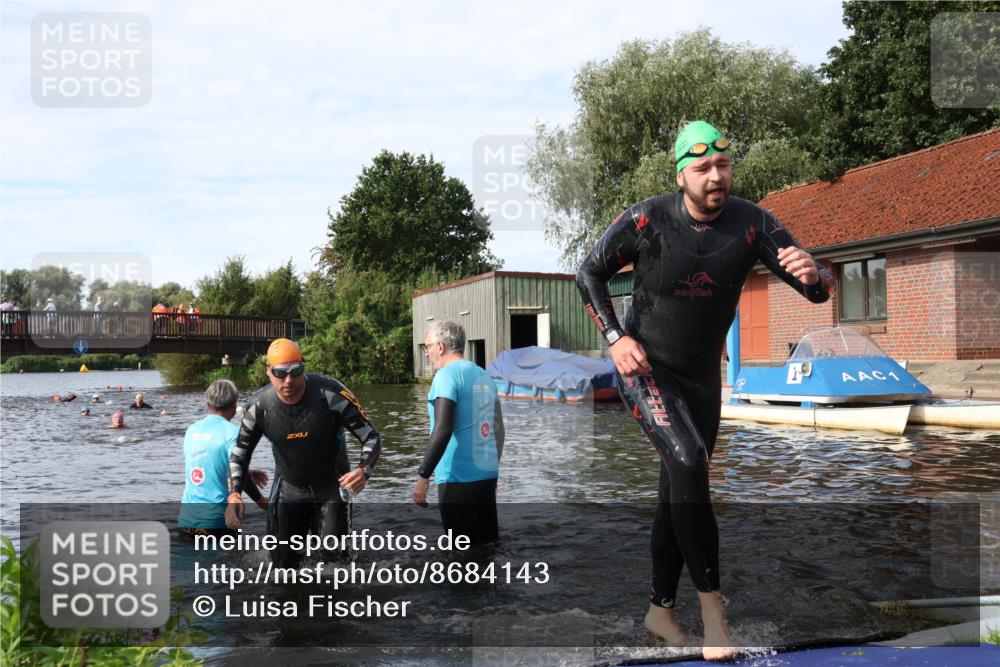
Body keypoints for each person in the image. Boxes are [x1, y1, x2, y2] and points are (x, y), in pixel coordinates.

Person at [576, 120, 832, 660]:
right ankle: (714, 611)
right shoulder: (648, 219)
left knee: (678, 490)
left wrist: (817, 275)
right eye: (703, 168)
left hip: (701, 381)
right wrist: (615, 338)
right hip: (644, 370)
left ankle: (659, 610)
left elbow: (812, 291)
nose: (716, 177)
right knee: (690, 463)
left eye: (723, 165)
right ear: (681, 175)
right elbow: (589, 274)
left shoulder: (752, 223)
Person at [225, 338, 383, 567]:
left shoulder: (331, 394)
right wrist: (234, 495)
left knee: (335, 565)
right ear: (268, 371)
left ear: (303, 367)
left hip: (332, 487)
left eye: (295, 371)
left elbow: (372, 436)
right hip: (289, 489)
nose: (288, 380)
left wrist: (363, 470)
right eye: (280, 373)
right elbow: (239, 455)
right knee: (282, 566)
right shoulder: (258, 407)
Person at [412, 320, 504, 545]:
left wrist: (423, 476)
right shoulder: (484, 375)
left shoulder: (446, 376)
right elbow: (499, 429)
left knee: (460, 555)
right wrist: (493, 468)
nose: (426, 353)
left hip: (456, 479)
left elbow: (442, 429)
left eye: (427, 347)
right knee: (487, 547)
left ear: (440, 346)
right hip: (486, 475)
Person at [179, 379, 268, 539]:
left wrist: (247, 472)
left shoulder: (191, 430)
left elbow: (205, 463)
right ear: (234, 406)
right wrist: (260, 500)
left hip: (187, 521)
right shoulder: (233, 434)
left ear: (207, 403)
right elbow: (237, 469)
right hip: (218, 521)